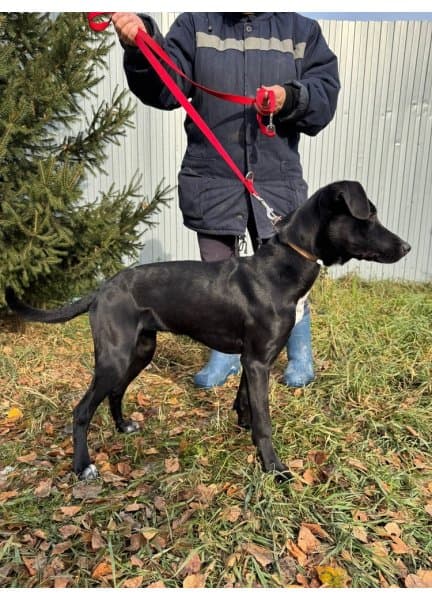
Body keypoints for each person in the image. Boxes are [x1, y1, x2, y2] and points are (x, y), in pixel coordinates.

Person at [112, 12, 340, 389]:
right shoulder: (195, 25)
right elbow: (164, 89)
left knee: (289, 276)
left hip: (276, 182)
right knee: (218, 278)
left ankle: (299, 353)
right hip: (213, 182)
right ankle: (226, 355)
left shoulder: (301, 31)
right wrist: (141, 45)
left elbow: (324, 95)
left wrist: (291, 96)